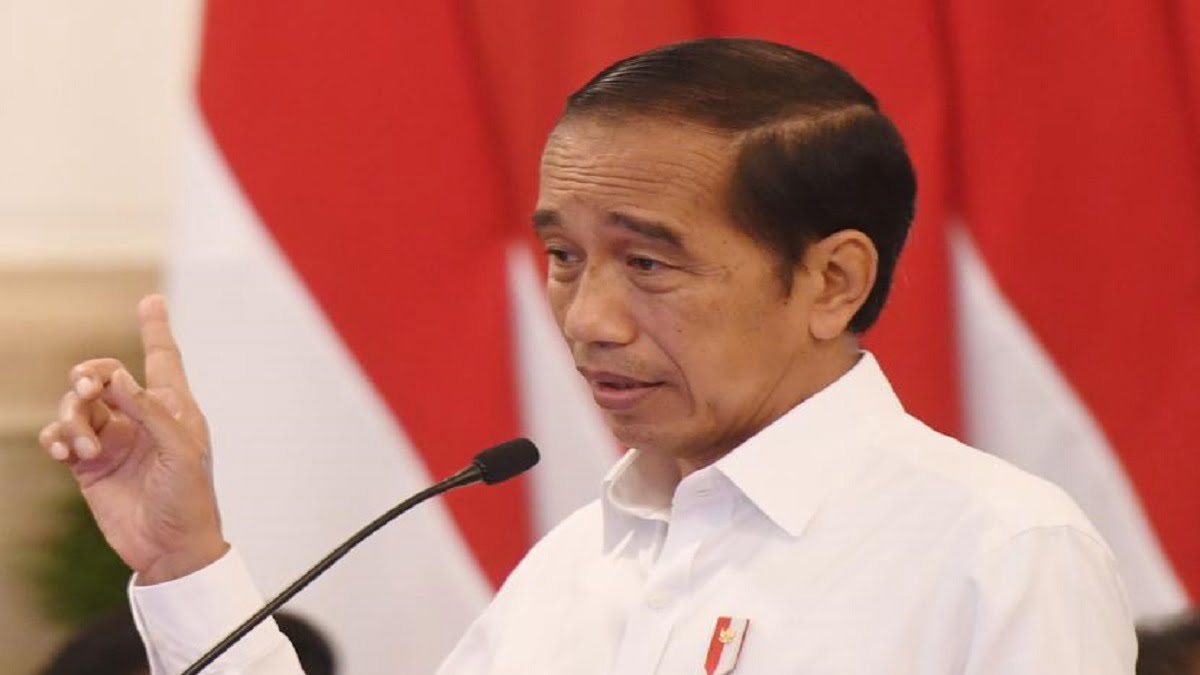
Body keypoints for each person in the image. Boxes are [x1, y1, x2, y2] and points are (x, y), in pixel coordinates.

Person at [38, 38, 1136, 673]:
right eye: (563, 257)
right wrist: (184, 559)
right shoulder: (579, 565)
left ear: (832, 280)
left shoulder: (998, 551)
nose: (589, 318)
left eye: (649, 264)